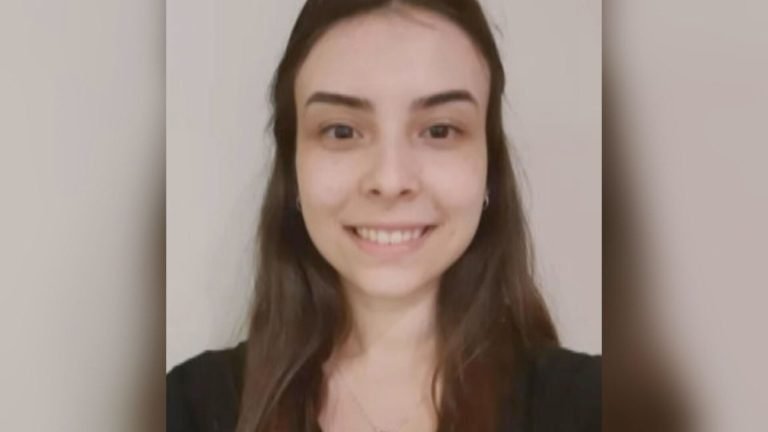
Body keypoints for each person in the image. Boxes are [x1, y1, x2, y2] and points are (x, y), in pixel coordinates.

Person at [167, 0, 601, 431]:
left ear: (489, 167)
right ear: (293, 169)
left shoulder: (592, 405)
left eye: (439, 130)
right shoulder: (187, 407)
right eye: (341, 131)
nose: (390, 180)